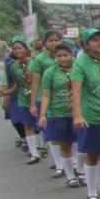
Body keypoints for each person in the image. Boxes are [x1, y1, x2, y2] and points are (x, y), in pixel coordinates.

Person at [71, 28, 100, 199]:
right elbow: (76, 91)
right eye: (95, 40)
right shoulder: (80, 63)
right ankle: (92, 191)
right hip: (92, 115)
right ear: (87, 44)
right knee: (93, 153)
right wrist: (77, 115)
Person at [39, 43, 83, 187]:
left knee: (81, 143)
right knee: (65, 144)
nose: (63, 58)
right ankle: (70, 175)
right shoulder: (50, 73)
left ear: (71, 55)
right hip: (58, 113)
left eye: (65, 55)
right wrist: (43, 114)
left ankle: (80, 170)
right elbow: (46, 95)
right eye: (59, 56)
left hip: (78, 112)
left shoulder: (79, 68)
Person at [5, 37, 41, 164]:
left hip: (37, 97)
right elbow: (17, 85)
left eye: (20, 48)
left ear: (26, 49)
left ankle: (45, 147)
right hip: (23, 98)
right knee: (27, 125)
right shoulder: (13, 67)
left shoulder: (35, 62)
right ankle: (34, 153)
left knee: (43, 125)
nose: (17, 50)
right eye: (14, 48)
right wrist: (6, 92)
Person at [29, 30, 64, 161]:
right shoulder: (40, 59)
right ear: (45, 43)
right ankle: (58, 164)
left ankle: (72, 163)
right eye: (51, 41)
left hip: (65, 99)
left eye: (56, 40)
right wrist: (33, 104)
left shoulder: (67, 55)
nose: (54, 43)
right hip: (45, 99)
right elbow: (36, 82)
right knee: (51, 132)